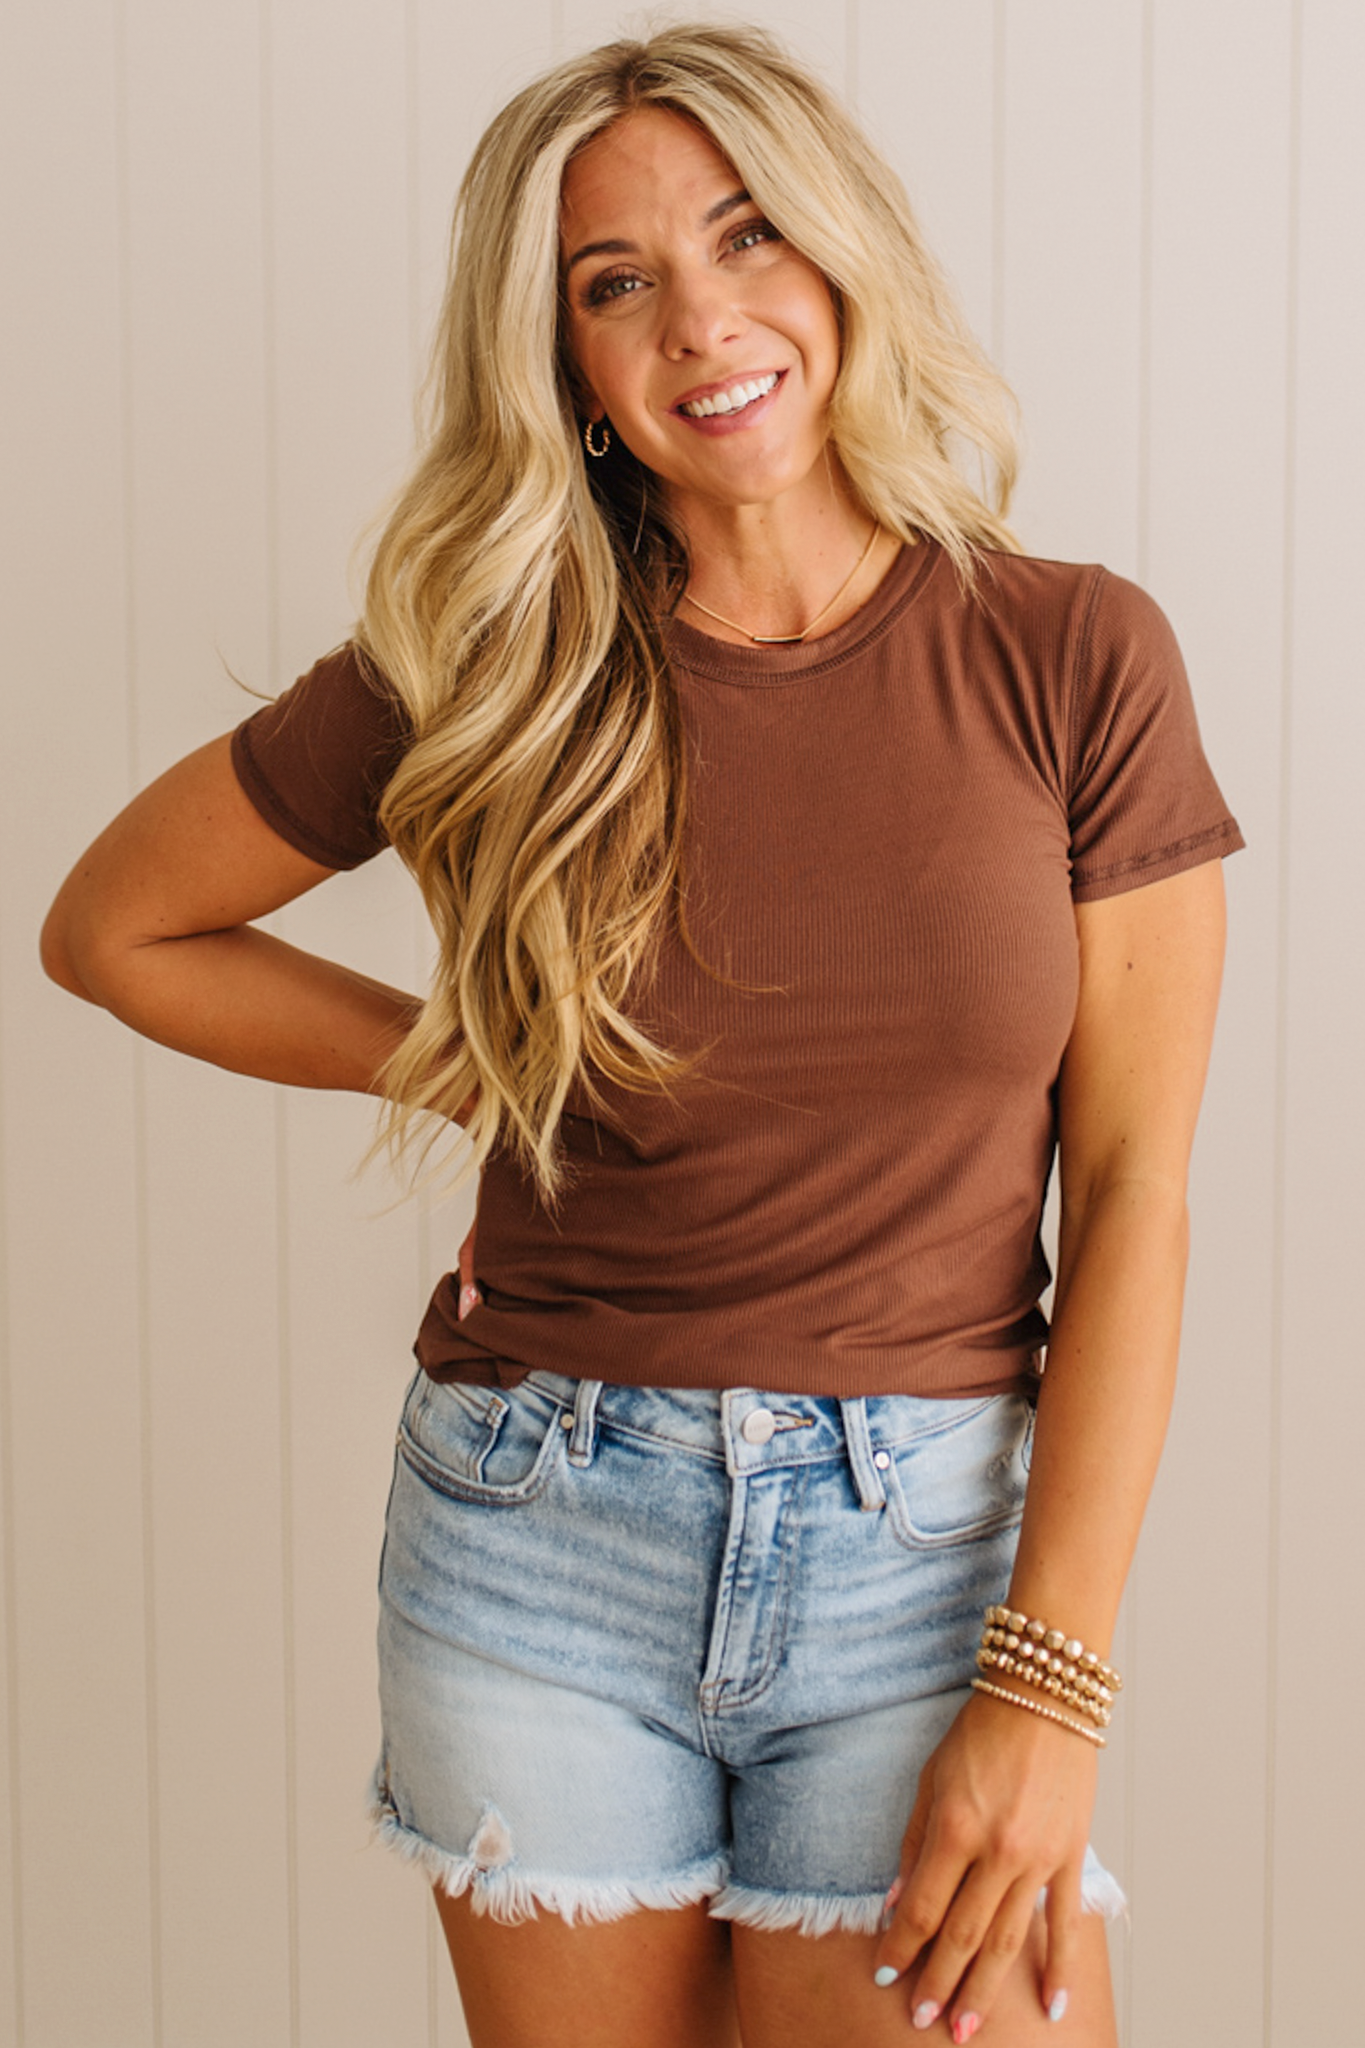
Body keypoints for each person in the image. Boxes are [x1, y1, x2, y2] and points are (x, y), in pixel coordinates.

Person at [40, 22, 1242, 2048]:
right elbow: (116, 926)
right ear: (568, 364)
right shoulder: (490, 667)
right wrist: (452, 1051)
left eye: (747, 232)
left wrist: (1050, 1686)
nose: (704, 318)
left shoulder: (1070, 653)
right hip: (537, 1537)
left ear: (843, 253)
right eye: (618, 284)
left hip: (927, 1563)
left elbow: (1131, 1195)